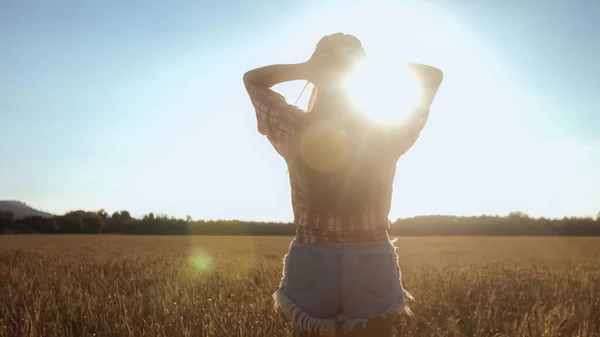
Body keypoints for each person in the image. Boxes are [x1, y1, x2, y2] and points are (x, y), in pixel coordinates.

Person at [243, 33, 443, 337]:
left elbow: (253, 80)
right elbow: (432, 76)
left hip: (311, 257)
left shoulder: (292, 125)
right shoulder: (383, 131)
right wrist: (363, 66)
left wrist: (306, 69)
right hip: (372, 255)